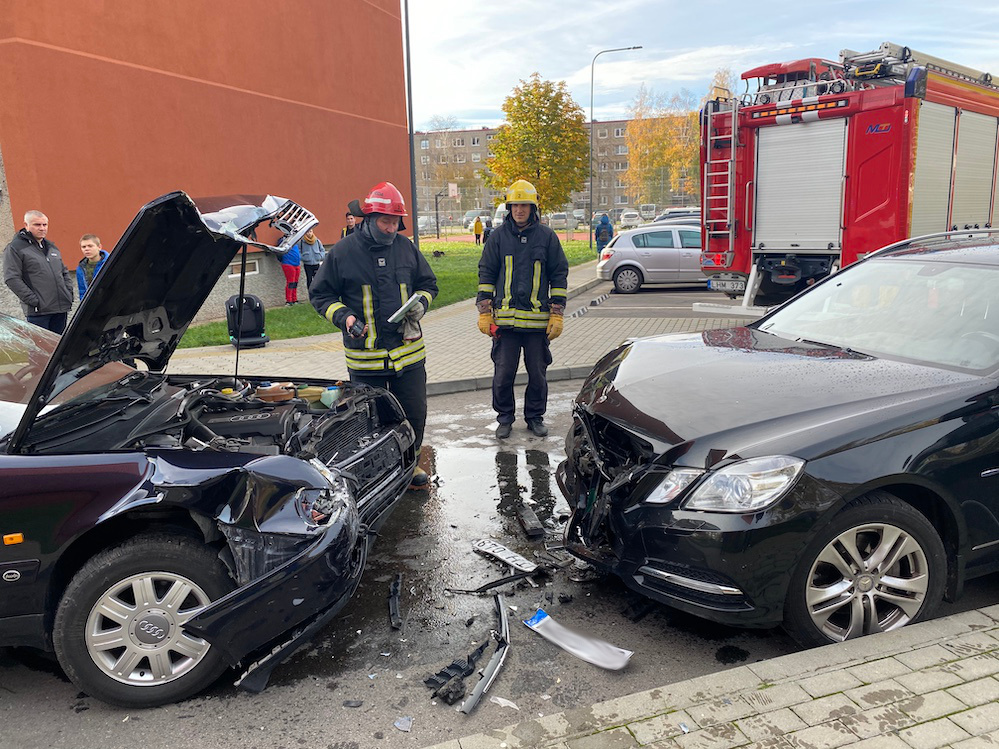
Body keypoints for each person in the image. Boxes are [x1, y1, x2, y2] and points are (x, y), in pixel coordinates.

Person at [311, 181, 438, 487]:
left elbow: (428, 284)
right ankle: (376, 475)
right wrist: (344, 317)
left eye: (396, 222)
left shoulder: (406, 248)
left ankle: (409, 467)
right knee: (370, 421)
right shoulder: (342, 253)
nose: (392, 228)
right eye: (385, 222)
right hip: (366, 360)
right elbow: (320, 295)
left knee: (414, 414)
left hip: (408, 356)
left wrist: (421, 304)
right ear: (369, 218)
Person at [476, 179, 568, 438]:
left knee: (537, 375)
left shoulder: (547, 237)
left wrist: (557, 314)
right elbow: (486, 273)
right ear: (509, 208)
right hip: (505, 324)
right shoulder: (497, 238)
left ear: (532, 208)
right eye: (515, 205)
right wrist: (484, 311)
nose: (519, 210)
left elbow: (559, 275)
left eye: (524, 205)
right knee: (503, 374)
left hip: (537, 324)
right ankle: (505, 418)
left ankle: (535, 417)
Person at [3, 210, 73, 333]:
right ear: (26, 225)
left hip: (60, 308)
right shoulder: (15, 247)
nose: (42, 228)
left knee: (59, 344)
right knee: (40, 345)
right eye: (37, 225)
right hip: (38, 312)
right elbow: (11, 278)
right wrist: (34, 301)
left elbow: (64, 271)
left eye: (44, 225)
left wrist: (68, 293)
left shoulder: (51, 247)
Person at [76, 234, 109, 299]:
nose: (86, 249)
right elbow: (82, 291)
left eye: (90, 246)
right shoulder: (80, 268)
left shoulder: (109, 263)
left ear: (99, 247)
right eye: (83, 247)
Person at [298, 227, 325, 295]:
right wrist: (303, 257)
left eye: (310, 231)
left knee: (317, 279)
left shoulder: (317, 240)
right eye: (307, 232)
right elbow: (298, 251)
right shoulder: (302, 241)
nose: (309, 233)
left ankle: (318, 293)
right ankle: (311, 294)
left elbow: (322, 250)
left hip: (316, 263)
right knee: (309, 279)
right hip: (307, 264)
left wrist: (320, 256)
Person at [279, 239, 301, 305]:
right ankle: (289, 300)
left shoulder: (295, 240)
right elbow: (279, 251)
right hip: (288, 264)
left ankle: (294, 299)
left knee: (295, 282)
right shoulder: (283, 241)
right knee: (290, 282)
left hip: (297, 264)